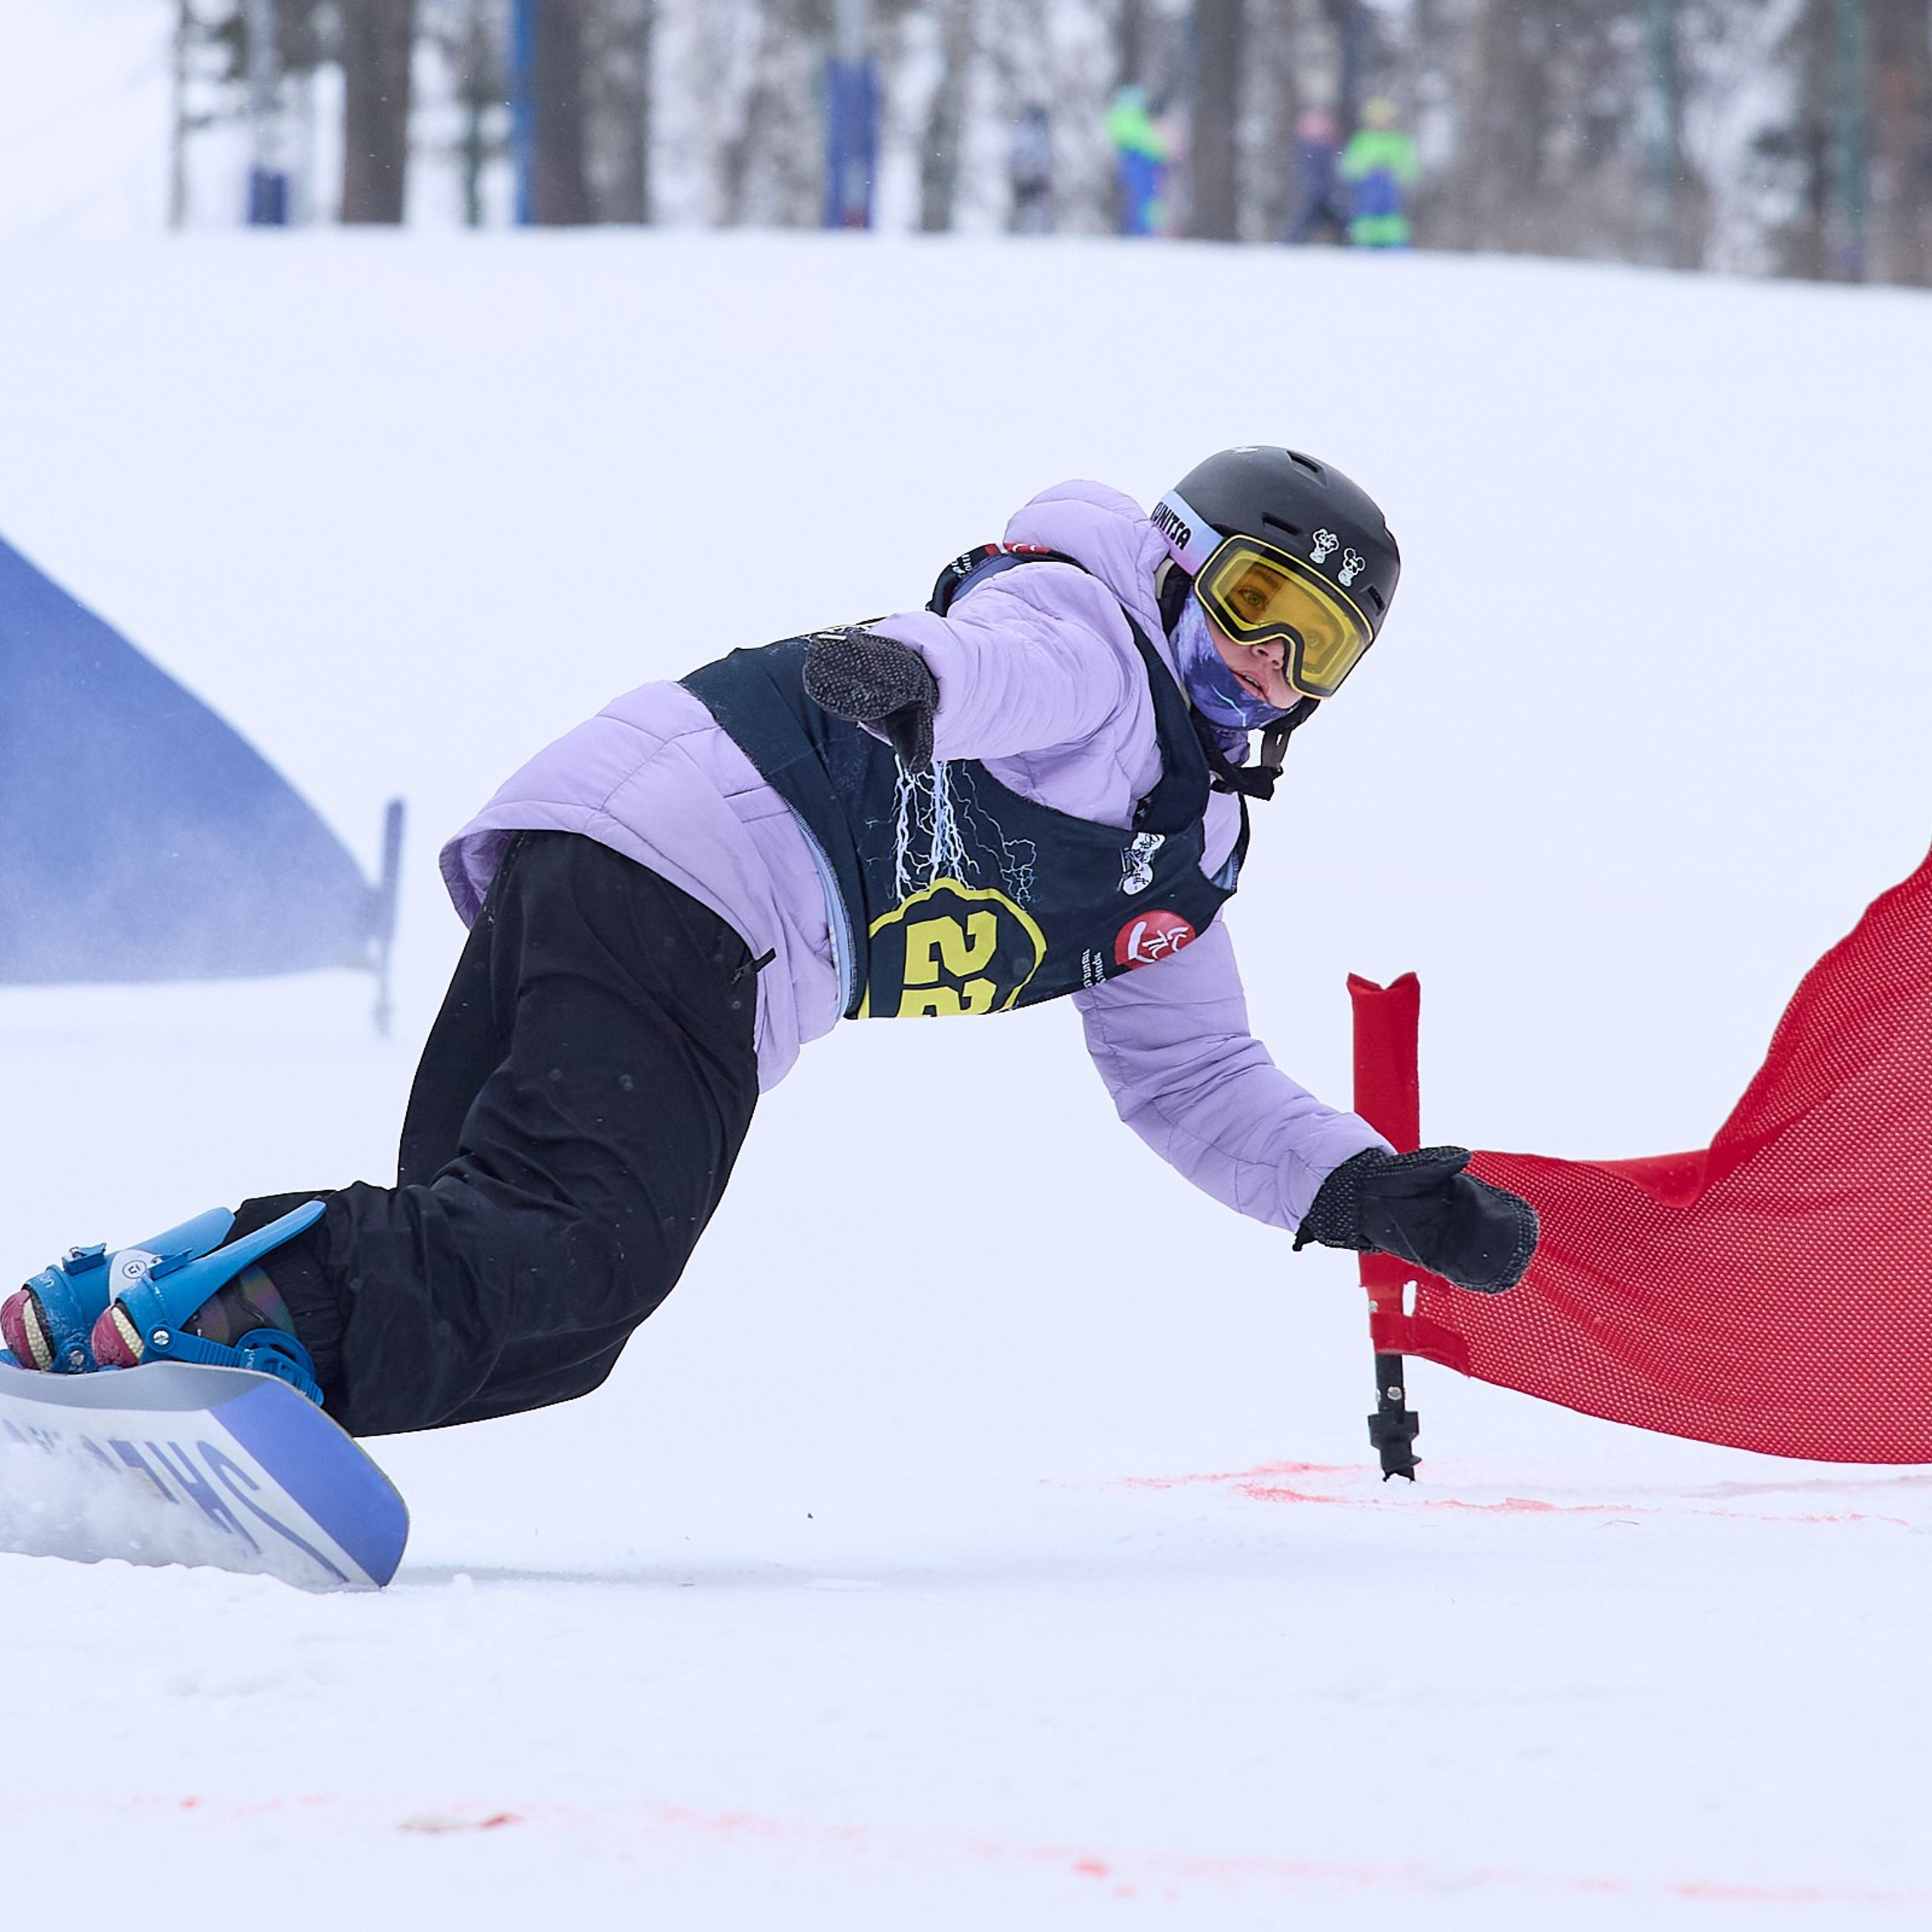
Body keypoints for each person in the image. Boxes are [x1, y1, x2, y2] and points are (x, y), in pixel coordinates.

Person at [2, 448, 1538, 1436]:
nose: (1262, 663)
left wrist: (1356, 1188)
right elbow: (994, 662)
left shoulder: (1178, 853)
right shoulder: (1086, 642)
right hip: (694, 875)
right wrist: (907, 679)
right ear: (1172, 564)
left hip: (628, 875)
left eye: (1312, 649)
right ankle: (201, 1321)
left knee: (540, 1314)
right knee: (575, 1253)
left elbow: (1194, 1076)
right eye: (1253, 602)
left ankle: (150, 1336)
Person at [1340, 97, 1420, 249]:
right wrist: (1366, 170)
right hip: (1367, 189)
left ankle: (1395, 246)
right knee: (1366, 217)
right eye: (1376, 118)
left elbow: (1410, 169)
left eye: (1384, 118)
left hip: (1391, 190)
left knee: (1392, 219)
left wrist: (1395, 172)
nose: (1380, 121)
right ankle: (1363, 245)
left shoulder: (1398, 141)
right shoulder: (1362, 140)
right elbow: (1348, 166)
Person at [1105, 85, 1170, 238]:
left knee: (1139, 198)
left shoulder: (1121, 114)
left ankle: (1138, 231)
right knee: (1146, 198)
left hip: (1137, 158)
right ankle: (1141, 232)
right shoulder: (1136, 116)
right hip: (1143, 159)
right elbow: (1149, 140)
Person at [1285, 106, 1349, 245]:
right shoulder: (1311, 149)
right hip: (1318, 196)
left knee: (1341, 225)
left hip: (1326, 196)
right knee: (1305, 224)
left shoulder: (1331, 147)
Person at [1009, 103, 1053, 235]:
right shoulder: (1039, 133)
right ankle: (1030, 231)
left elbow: (1013, 155)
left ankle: (1028, 231)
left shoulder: (1021, 131)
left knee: (1028, 207)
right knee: (1033, 206)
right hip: (1033, 177)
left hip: (1026, 177)